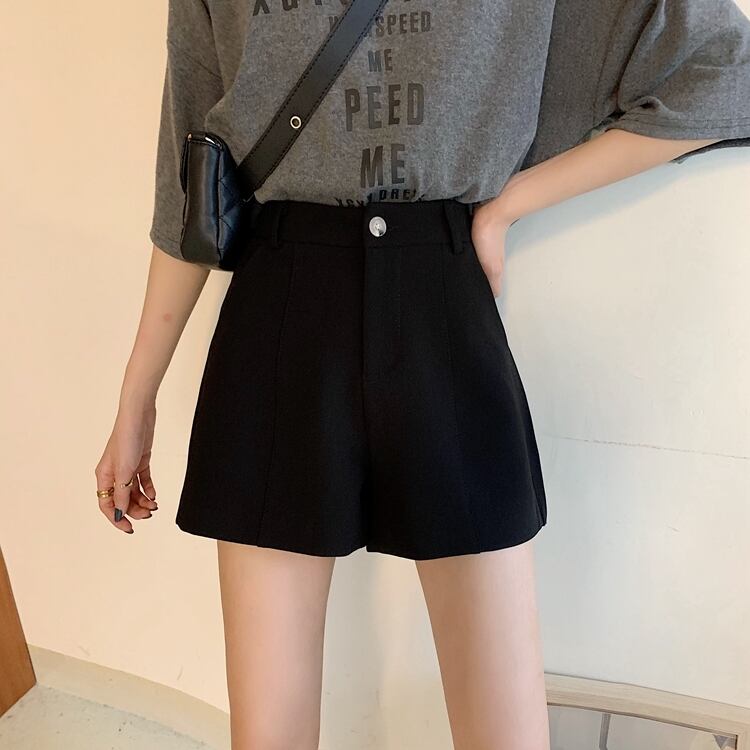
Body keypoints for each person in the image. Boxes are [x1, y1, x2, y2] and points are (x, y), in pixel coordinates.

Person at [95, 0, 750, 748]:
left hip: (442, 305)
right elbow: (191, 180)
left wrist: (508, 205)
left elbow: (727, 71)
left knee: (505, 732)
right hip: (279, 313)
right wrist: (136, 397)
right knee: (269, 733)